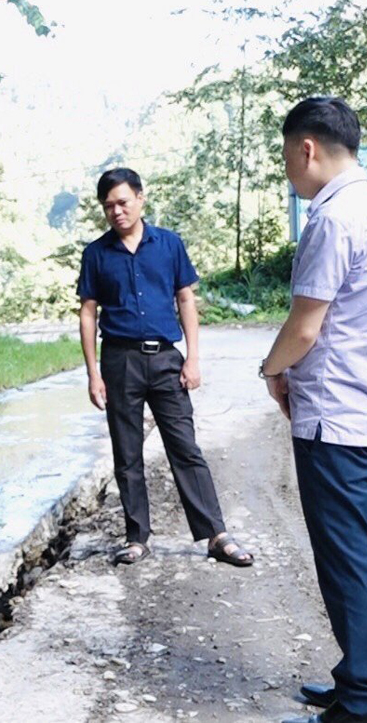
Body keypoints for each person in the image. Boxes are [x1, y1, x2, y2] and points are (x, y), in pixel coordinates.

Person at [260, 98, 367, 723]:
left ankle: (366, 701)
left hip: (336, 419)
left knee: (347, 557)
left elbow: (305, 326)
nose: (289, 174)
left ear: (307, 148)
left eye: (287, 159)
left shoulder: (329, 219)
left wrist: (271, 371)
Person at [77, 167, 253, 568]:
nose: (117, 212)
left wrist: (192, 357)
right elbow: (88, 313)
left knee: (185, 447)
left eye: (123, 202)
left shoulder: (169, 245)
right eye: (108, 207)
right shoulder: (96, 254)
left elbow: (185, 300)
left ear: (141, 198)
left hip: (165, 360)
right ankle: (137, 537)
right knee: (127, 452)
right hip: (119, 360)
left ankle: (216, 535)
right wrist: (93, 373)